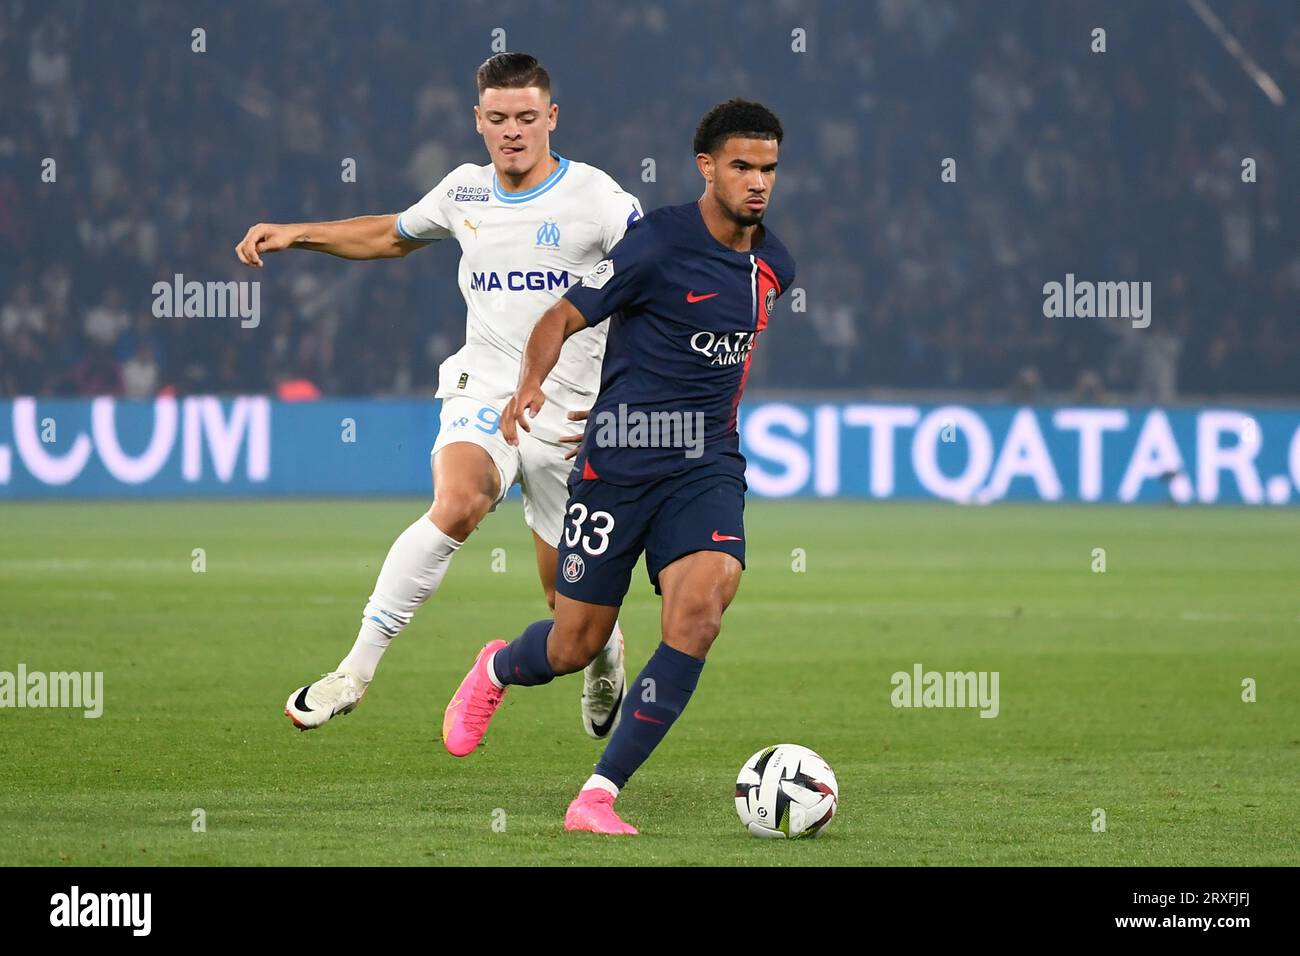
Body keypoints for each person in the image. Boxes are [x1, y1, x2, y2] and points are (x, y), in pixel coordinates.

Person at [234, 53, 642, 740]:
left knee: (566, 606)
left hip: (568, 415)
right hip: (482, 389)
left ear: (552, 119)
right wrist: (297, 233)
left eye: (526, 118)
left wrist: (623, 398)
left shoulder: (598, 200)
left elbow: (650, 283)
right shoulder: (464, 192)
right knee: (457, 504)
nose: (512, 131)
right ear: (478, 121)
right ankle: (353, 673)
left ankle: (605, 653)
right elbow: (393, 235)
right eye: (498, 119)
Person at [441, 99, 795, 835]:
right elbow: (562, 315)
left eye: (767, 168)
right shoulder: (655, 244)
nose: (757, 182)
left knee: (700, 611)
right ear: (707, 167)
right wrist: (534, 383)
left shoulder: (774, 265)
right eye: (741, 167)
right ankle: (499, 667)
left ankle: (597, 795)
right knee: (573, 644)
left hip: (705, 466)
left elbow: (730, 356)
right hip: (618, 466)